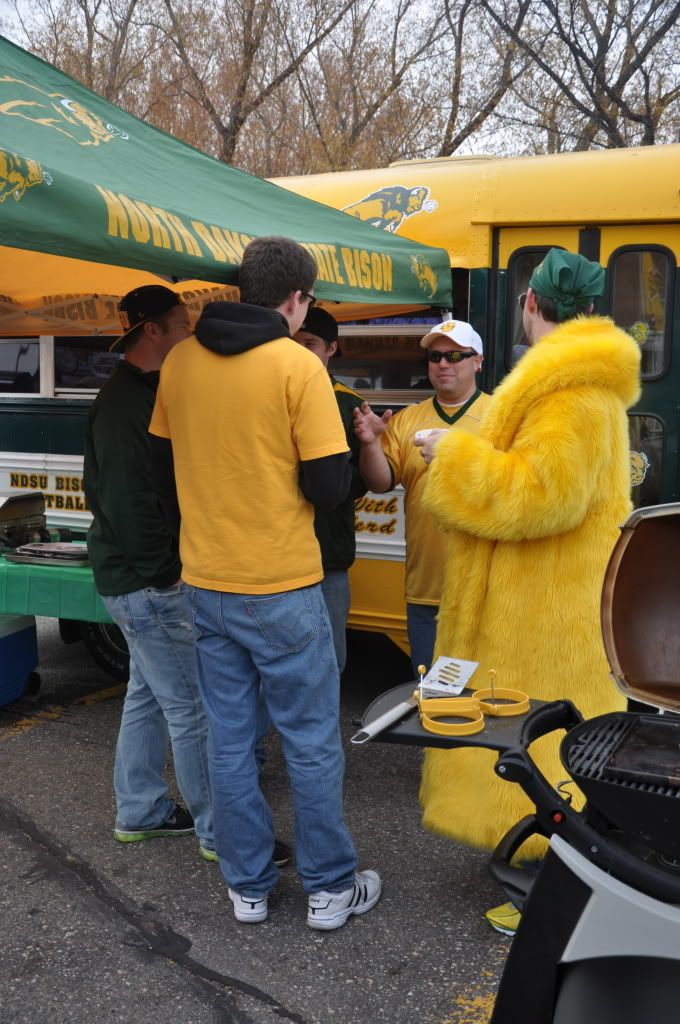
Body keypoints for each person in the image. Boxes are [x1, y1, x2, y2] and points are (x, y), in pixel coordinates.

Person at [149, 236, 381, 929]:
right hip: (281, 583)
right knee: (309, 741)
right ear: (297, 299)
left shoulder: (180, 361)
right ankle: (330, 890)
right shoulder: (296, 365)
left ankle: (247, 887)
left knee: (229, 738)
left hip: (206, 582)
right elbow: (328, 484)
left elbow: (163, 476)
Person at [415, 249, 641, 934]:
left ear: (531, 304)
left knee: (546, 747)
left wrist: (447, 453)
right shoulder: (578, 386)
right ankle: (552, 865)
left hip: (544, 611)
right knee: (548, 738)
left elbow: (540, 496)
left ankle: (553, 888)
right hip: (548, 601)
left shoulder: (571, 392)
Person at [83, 285, 215, 860]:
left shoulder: (147, 391)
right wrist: (166, 576)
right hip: (146, 583)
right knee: (192, 708)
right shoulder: (123, 405)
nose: (191, 334)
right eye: (182, 325)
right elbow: (126, 501)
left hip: (137, 578)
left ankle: (141, 811)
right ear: (154, 331)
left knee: (148, 694)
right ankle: (222, 833)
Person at [353, 320, 492, 672]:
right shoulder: (406, 420)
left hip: (488, 591)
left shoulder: (501, 417)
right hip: (426, 591)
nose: (443, 364)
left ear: (478, 361)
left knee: (488, 701)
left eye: (456, 355)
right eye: (435, 356)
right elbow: (380, 482)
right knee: (431, 702)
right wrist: (370, 444)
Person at [294, 307, 366, 674]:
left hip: (329, 556)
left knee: (331, 658)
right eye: (294, 342)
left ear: (331, 349)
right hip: (278, 557)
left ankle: (318, 731)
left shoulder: (349, 404)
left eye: (310, 343)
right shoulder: (272, 390)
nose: (300, 349)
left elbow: (361, 483)